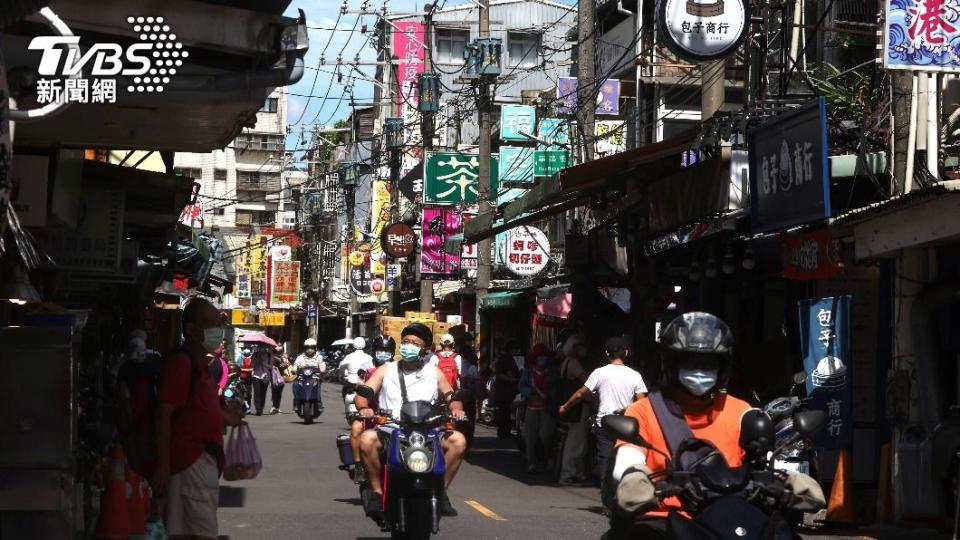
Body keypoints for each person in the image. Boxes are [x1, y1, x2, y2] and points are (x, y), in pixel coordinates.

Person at [608, 312, 825, 538]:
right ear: (671, 364)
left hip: (732, 517)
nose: (700, 371)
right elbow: (627, 459)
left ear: (723, 368)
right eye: (690, 362)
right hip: (664, 519)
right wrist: (635, 478)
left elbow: (764, 460)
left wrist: (788, 479)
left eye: (708, 364)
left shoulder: (741, 411)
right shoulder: (644, 411)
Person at [355, 323, 468, 520]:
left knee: (458, 441)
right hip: (392, 428)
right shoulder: (385, 369)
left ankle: (441, 492)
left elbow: (452, 396)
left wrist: (457, 409)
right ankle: (376, 492)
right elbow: (366, 392)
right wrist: (364, 406)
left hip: (428, 431)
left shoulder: (434, 372)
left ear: (425, 349)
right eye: (406, 342)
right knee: (366, 440)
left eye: (415, 343)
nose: (409, 346)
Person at [155, 297, 243, 540]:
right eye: (213, 325)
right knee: (196, 532)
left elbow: (202, 407)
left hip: (202, 460)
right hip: (188, 461)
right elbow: (164, 413)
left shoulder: (201, 362)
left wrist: (226, 414)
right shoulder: (182, 362)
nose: (218, 332)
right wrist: (163, 464)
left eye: (219, 325)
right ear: (192, 330)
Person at [559, 335, 647, 509]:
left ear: (607, 353)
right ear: (626, 353)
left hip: (605, 425)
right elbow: (642, 402)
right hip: (626, 426)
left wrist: (565, 406)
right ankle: (625, 499)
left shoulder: (600, 373)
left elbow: (580, 393)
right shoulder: (635, 376)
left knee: (606, 461)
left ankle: (607, 503)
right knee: (627, 460)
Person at [345, 334, 396, 473]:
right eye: (380, 350)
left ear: (393, 352)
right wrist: (364, 408)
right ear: (374, 350)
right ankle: (358, 466)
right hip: (372, 412)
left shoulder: (397, 368)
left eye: (387, 351)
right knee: (356, 428)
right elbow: (361, 390)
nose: (384, 354)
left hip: (395, 414)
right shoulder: (366, 367)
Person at [519, 343, 559, 473]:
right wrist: (530, 391)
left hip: (547, 408)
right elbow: (522, 387)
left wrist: (544, 395)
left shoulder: (553, 372)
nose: (542, 358)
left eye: (544, 356)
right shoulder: (528, 371)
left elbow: (554, 391)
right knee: (530, 437)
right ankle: (531, 462)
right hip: (531, 407)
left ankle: (549, 457)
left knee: (545, 435)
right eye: (539, 356)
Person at [557, 334, 591, 485]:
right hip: (577, 407)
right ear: (575, 347)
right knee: (577, 442)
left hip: (571, 407)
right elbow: (587, 383)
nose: (584, 349)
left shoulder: (565, 362)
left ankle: (576, 473)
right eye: (581, 346)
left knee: (574, 440)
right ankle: (569, 474)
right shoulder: (574, 363)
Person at [493, 340, 521, 438]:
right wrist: (510, 379)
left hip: (507, 389)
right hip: (503, 389)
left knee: (506, 411)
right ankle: (503, 433)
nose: (517, 351)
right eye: (516, 349)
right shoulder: (504, 359)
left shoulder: (509, 359)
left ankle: (505, 432)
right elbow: (498, 374)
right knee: (504, 411)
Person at [292, 338, 326, 415]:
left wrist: (322, 369)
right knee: (295, 385)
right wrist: (294, 369)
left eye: (312, 347)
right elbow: (296, 365)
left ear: (315, 348)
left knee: (318, 387)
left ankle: (319, 402)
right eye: (308, 347)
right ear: (305, 348)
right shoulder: (300, 357)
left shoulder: (319, 357)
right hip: (302, 378)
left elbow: (322, 365)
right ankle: (297, 402)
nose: (310, 349)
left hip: (315, 378)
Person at [250, 347, 274, 416]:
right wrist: (257, 360)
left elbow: (271, 367)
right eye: (261, 346)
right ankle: (258, 409)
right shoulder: (255, 354)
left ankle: (261, 407)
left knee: (263, 393)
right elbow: (251, 365)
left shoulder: (269, 355)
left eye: (264, 346)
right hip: (256, 376)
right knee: (257, 393)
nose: (262, 348)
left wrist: (263, 363)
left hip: (265, 376)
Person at [268, 345, 287, 414]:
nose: (278, 353)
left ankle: (277, 407)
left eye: (280, 351)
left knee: (279, 392)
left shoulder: (283, 358)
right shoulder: (271, 357)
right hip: (273, 376)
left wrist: (285, 364)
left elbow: (287, 365)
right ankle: (273, 406)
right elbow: (269, 366)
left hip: (281, 376)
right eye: (277, 351)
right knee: (274, 391)